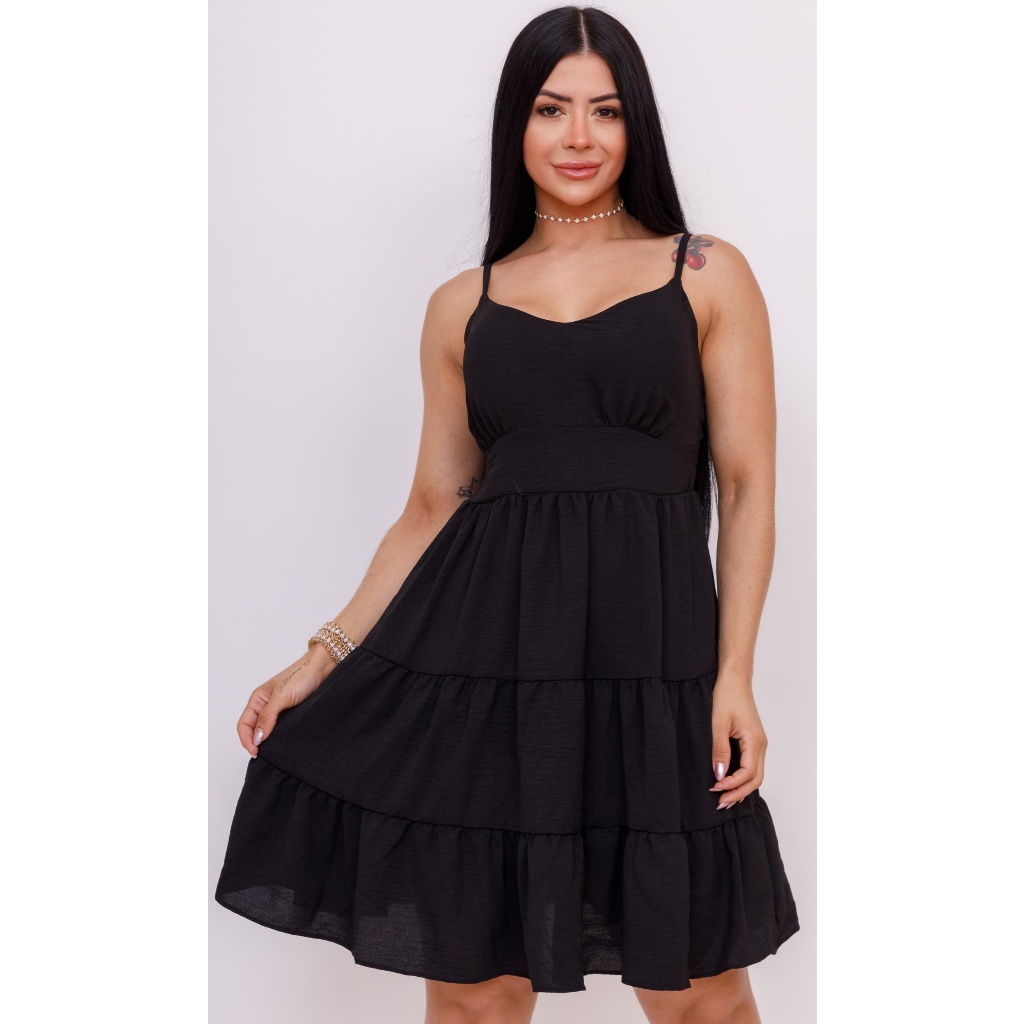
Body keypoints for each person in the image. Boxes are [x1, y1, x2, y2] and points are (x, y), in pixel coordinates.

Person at [215, 6, 800, 1022]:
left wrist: (735, 674)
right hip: (488, 667)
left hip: (653, 663)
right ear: (515, 125)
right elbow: (433, 505)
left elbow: (747, 485)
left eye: (605, 111)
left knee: (700, 992)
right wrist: (320, 657)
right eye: (550, 109)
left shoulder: (703, 271)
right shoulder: (463, 303)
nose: (579, 137)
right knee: (476, 992)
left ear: (636, 125)